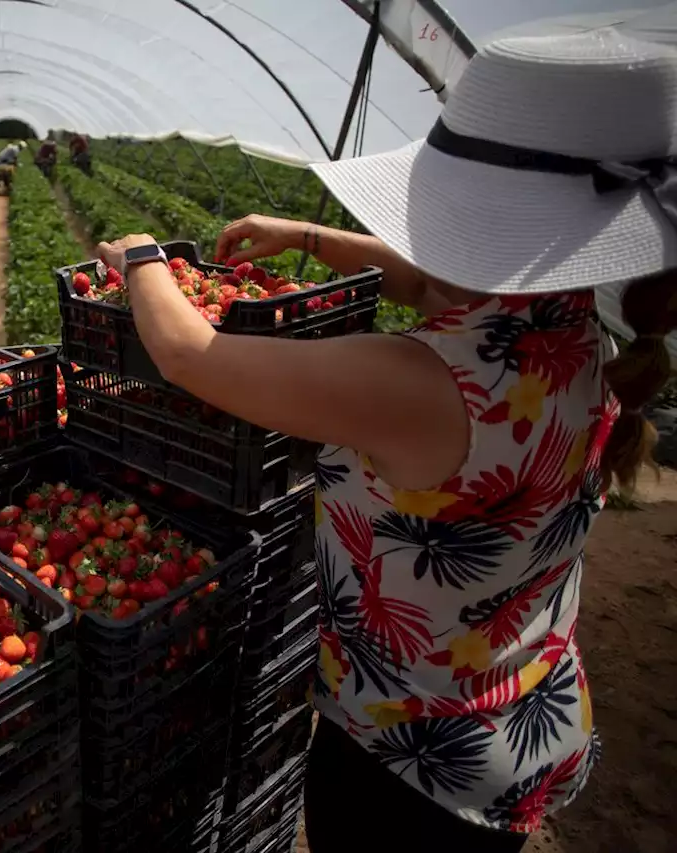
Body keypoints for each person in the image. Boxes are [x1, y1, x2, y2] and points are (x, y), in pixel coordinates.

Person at [97, 28, 677, 853]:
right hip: (522, 716)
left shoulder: (417, 382)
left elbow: (192, 355)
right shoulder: (584, 341)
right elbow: (438, 279)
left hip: (404, 757)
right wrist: (308, 235)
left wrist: (142, 261)